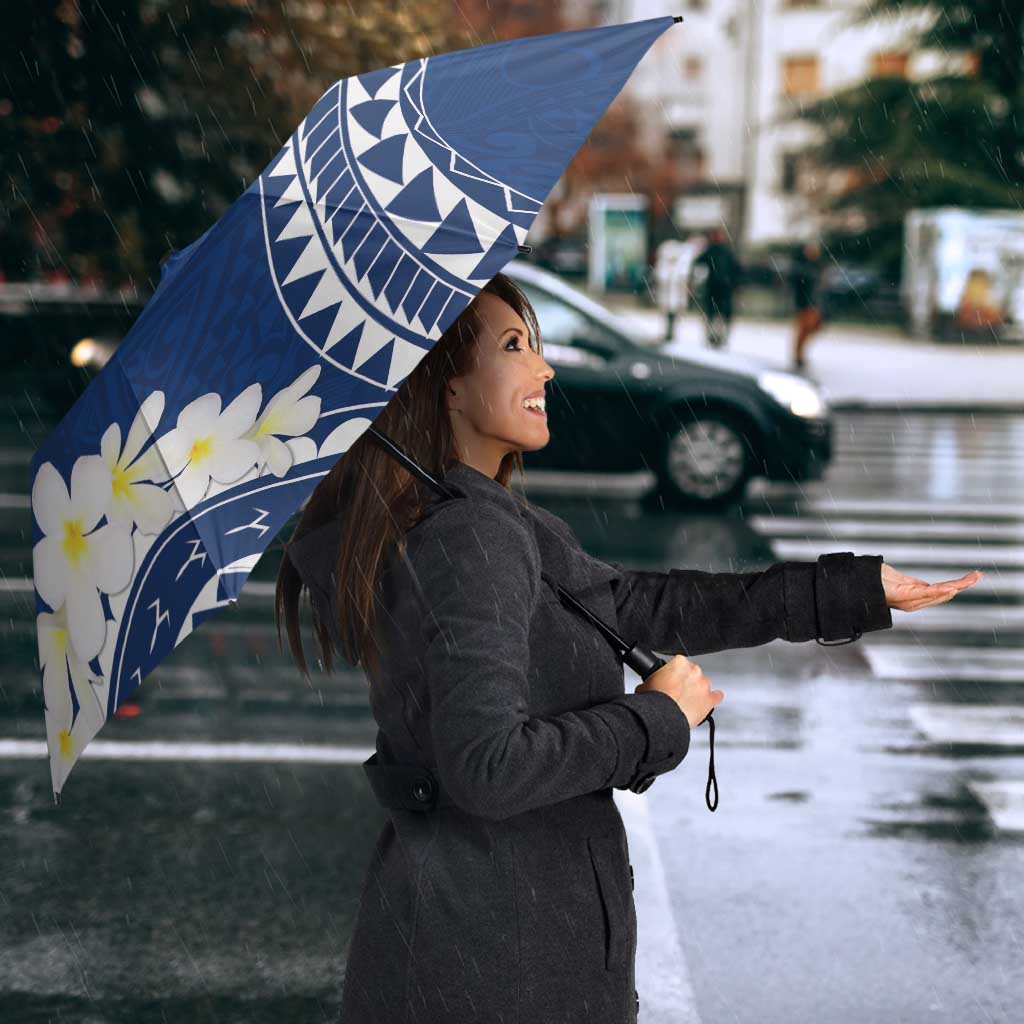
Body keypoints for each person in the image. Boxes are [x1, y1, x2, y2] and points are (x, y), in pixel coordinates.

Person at [275, 272, 981, 1024]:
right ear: (446, 387)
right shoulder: (469, 536)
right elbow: (487, 768)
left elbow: (643, 605)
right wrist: (655, 718)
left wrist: (850, 590)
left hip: (485, 944)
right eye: (515, 347)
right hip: (496, 964)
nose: (544, 368)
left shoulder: (481, 519)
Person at [692, 226, 742, 349]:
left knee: (720, 315)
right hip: (715, 288)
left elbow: (736, 270)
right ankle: (713, 337)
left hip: (723, 288)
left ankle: (719, 337)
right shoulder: (712, 251)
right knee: (713, 314)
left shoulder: (725, 252)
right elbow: (698, 264)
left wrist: (735, 284)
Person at [790, 239, 826, 370]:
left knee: (812, 328)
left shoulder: (817, 266)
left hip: (814, 303)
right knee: (804, 329)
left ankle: (799, 354)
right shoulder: (802, 267)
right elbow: (799, 286)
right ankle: (798, 355)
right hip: (805, 303)